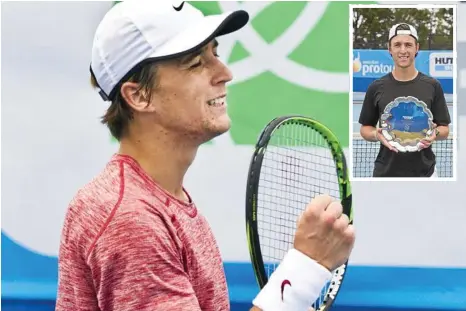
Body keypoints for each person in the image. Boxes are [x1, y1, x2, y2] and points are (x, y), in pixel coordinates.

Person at [55, 1, 355, 311]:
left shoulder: (158, 202)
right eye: (196, 63)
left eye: (216, 54)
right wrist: (304, 271)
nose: (225, 73)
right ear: (139, 96)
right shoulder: (130, 218)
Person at [358, 23, 451, 178]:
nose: (403, 50)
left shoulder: (433, 86)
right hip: (385, 175)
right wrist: (376, 134)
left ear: (417, 48)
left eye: (408, 44)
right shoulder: (376, 87)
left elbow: (444, 129)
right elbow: (365, 128)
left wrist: (435, 133)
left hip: (425, 174)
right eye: (397, 45)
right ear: (390, 49)